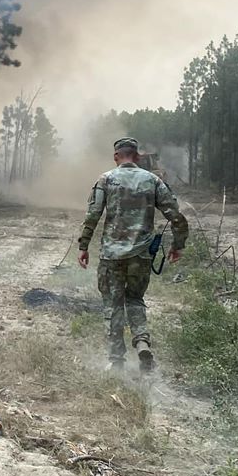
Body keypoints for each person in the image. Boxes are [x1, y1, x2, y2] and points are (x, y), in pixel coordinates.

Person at [77, 137, 189, 372]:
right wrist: (177, 245)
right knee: (135, 299)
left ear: (116, 156)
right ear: (137, 157)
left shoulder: (106, 179)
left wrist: (84, 245)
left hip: (112, 256)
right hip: (140, 255)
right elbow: (176, 215)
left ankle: (116, 361)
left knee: (113, 305)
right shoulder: (153, 180)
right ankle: (141, 342)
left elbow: (93, 215)